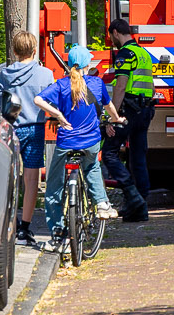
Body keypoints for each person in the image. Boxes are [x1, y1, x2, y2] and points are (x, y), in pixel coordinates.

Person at [37, 45, 122, 238]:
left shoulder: (61, 85)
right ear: (87, 64)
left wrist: (58, 115)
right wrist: (117, 119)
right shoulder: (96, 83)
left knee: (54, 183)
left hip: (66, 142)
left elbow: (38, 100)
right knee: (92, 167)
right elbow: (109, 107)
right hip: (90, 141)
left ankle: (57, 229)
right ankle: (101, 203)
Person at [0, 30, 55, 244]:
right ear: (34, 50)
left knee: (8, 178)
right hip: (35, 129)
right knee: (31, 180)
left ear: (15, 51)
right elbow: (52, 101)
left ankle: (8, 224)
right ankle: (25, 228)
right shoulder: (45, 74)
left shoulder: (5, 75)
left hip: (11, 129)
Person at [107, 16, 158, 202]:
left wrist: (112, 116)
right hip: (145, 110)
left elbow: (121, 86)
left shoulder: (125, 54)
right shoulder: (143, 53)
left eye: (111, 37)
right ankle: (141, 200)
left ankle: (130, 192)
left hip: (130, 110)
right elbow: (152, 87)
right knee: (138, 157)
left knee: (109, 153)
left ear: (115, 33)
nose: (112, 42)